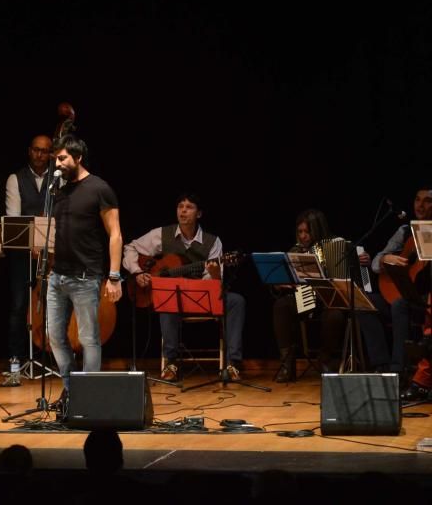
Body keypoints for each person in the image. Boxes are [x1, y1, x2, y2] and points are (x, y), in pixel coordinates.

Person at [123, 193, 246, 382]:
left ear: (199, 214)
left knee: (236, 301)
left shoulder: (213, 242)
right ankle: (171, 362)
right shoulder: (162, 234)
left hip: (201, 297)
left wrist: (213, 274)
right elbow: (130, 248)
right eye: (180, 206)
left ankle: (232, 364)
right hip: (174, 299)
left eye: (189, 207)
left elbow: (214, 284)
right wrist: (138, 272)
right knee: (167, 300)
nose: (183, 211)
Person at [46, 134, 122, 395]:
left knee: (89, 338)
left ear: (78, 158)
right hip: (57, 276)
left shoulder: (99, 188)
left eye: (63, 157)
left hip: (86, 276)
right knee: (55, 336)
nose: (57, 163)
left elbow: (115, 233)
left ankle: (88, 396)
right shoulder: (58, 189)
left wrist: (114, 276)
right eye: (56, 158)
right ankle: (71, 391)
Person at [272, 209, 371, 381]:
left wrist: (363, 262)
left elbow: (360, 279)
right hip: (306, 298)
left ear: (318, 230)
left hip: (333, 301)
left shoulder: (339, 244)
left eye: (307, 232)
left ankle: (325, 359)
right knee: (281, 306)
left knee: (334, 314)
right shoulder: (297, 250)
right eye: (300, 232)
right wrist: (281, 284)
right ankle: (287, 364)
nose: (303, 236)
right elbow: (284, 281)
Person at [363, 189, 432, 400]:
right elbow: (375, 263)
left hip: (421, 300)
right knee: (364, 302)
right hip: (395, 293)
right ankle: (381, 365)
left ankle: (397, 371)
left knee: (400, 305)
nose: (420, 205)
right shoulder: (404, 230)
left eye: (427, 201)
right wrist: (386, 260)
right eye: (417, 200)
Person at [3, 134, 53, 378]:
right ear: (29, 151)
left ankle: (50, 357)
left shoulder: (58, 179)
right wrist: (31, 242)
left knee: (52, 304)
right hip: (22, 254)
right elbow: (13, 218)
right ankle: (16, 359)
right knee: (18, 304)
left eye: (45, 151)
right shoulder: (15, 178)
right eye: (36, 150)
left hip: (51, 253)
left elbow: (62, 215)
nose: (40, 155)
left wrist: (46, 243)